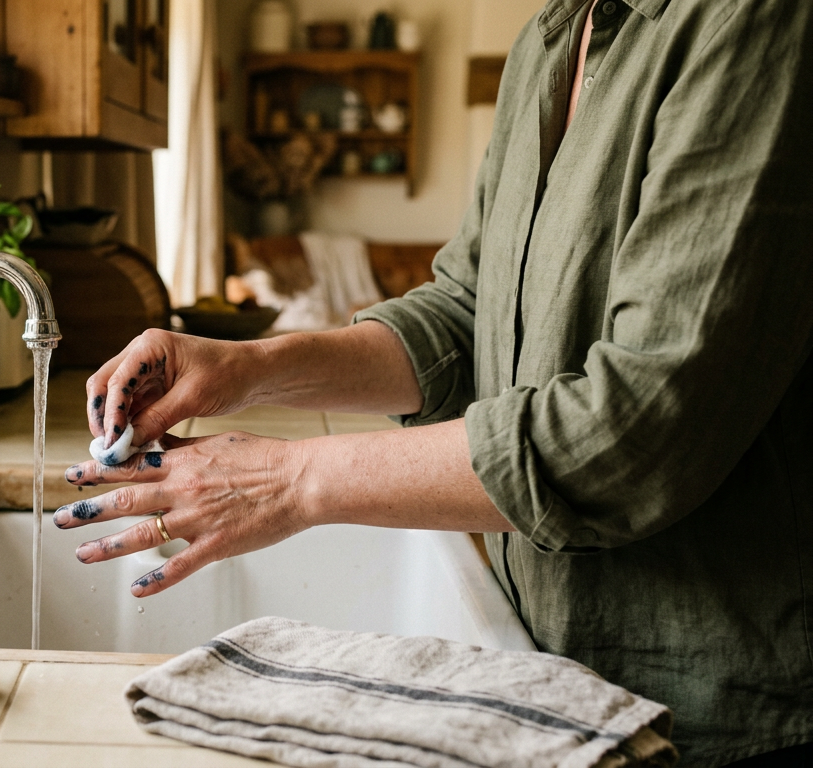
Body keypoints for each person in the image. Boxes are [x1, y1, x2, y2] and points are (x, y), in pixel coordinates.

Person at [53, 1, 813, 764]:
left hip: (716, 706)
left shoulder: (751, 21)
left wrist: (288, 481)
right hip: (553, 672)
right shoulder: (549, 40)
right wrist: (252, 367)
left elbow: (636, 430)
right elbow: (466, 313)